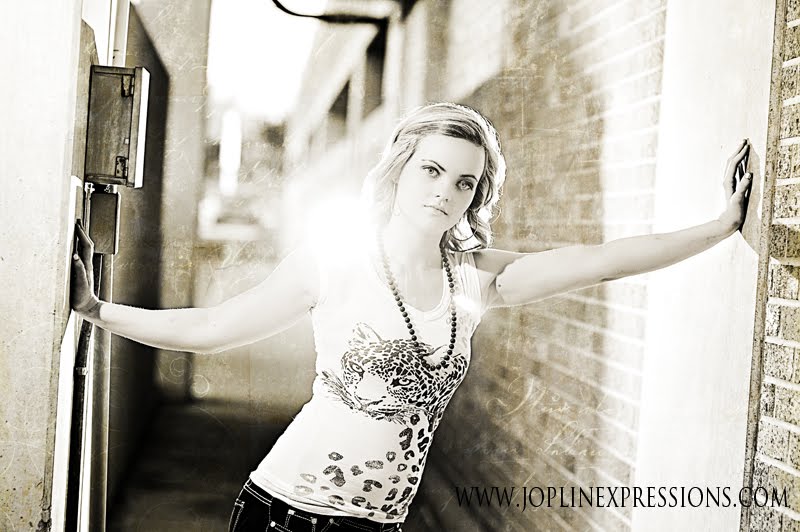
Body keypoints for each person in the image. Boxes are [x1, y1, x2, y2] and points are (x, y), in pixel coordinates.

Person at [71, 102, 752, 532]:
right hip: (289, 515)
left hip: (381, 524)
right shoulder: (334, 264)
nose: (445, 191)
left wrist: (721, 226)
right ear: (399, 170)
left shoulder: (477, 277)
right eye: (432, 170)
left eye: (464, 182)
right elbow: (212, 329)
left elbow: (600, 261)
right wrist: (98, 310)